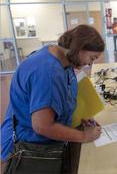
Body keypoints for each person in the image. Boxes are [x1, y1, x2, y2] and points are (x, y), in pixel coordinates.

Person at [1, 25, 105, 171]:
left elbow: (59, 101)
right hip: (31, 150)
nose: (90, 64)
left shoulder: (61, 59)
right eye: (91, 58)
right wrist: (83, 136)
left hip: (42, 142)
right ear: (78, 48)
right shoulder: (47, 71)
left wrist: (78, 119)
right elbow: (42, 125)